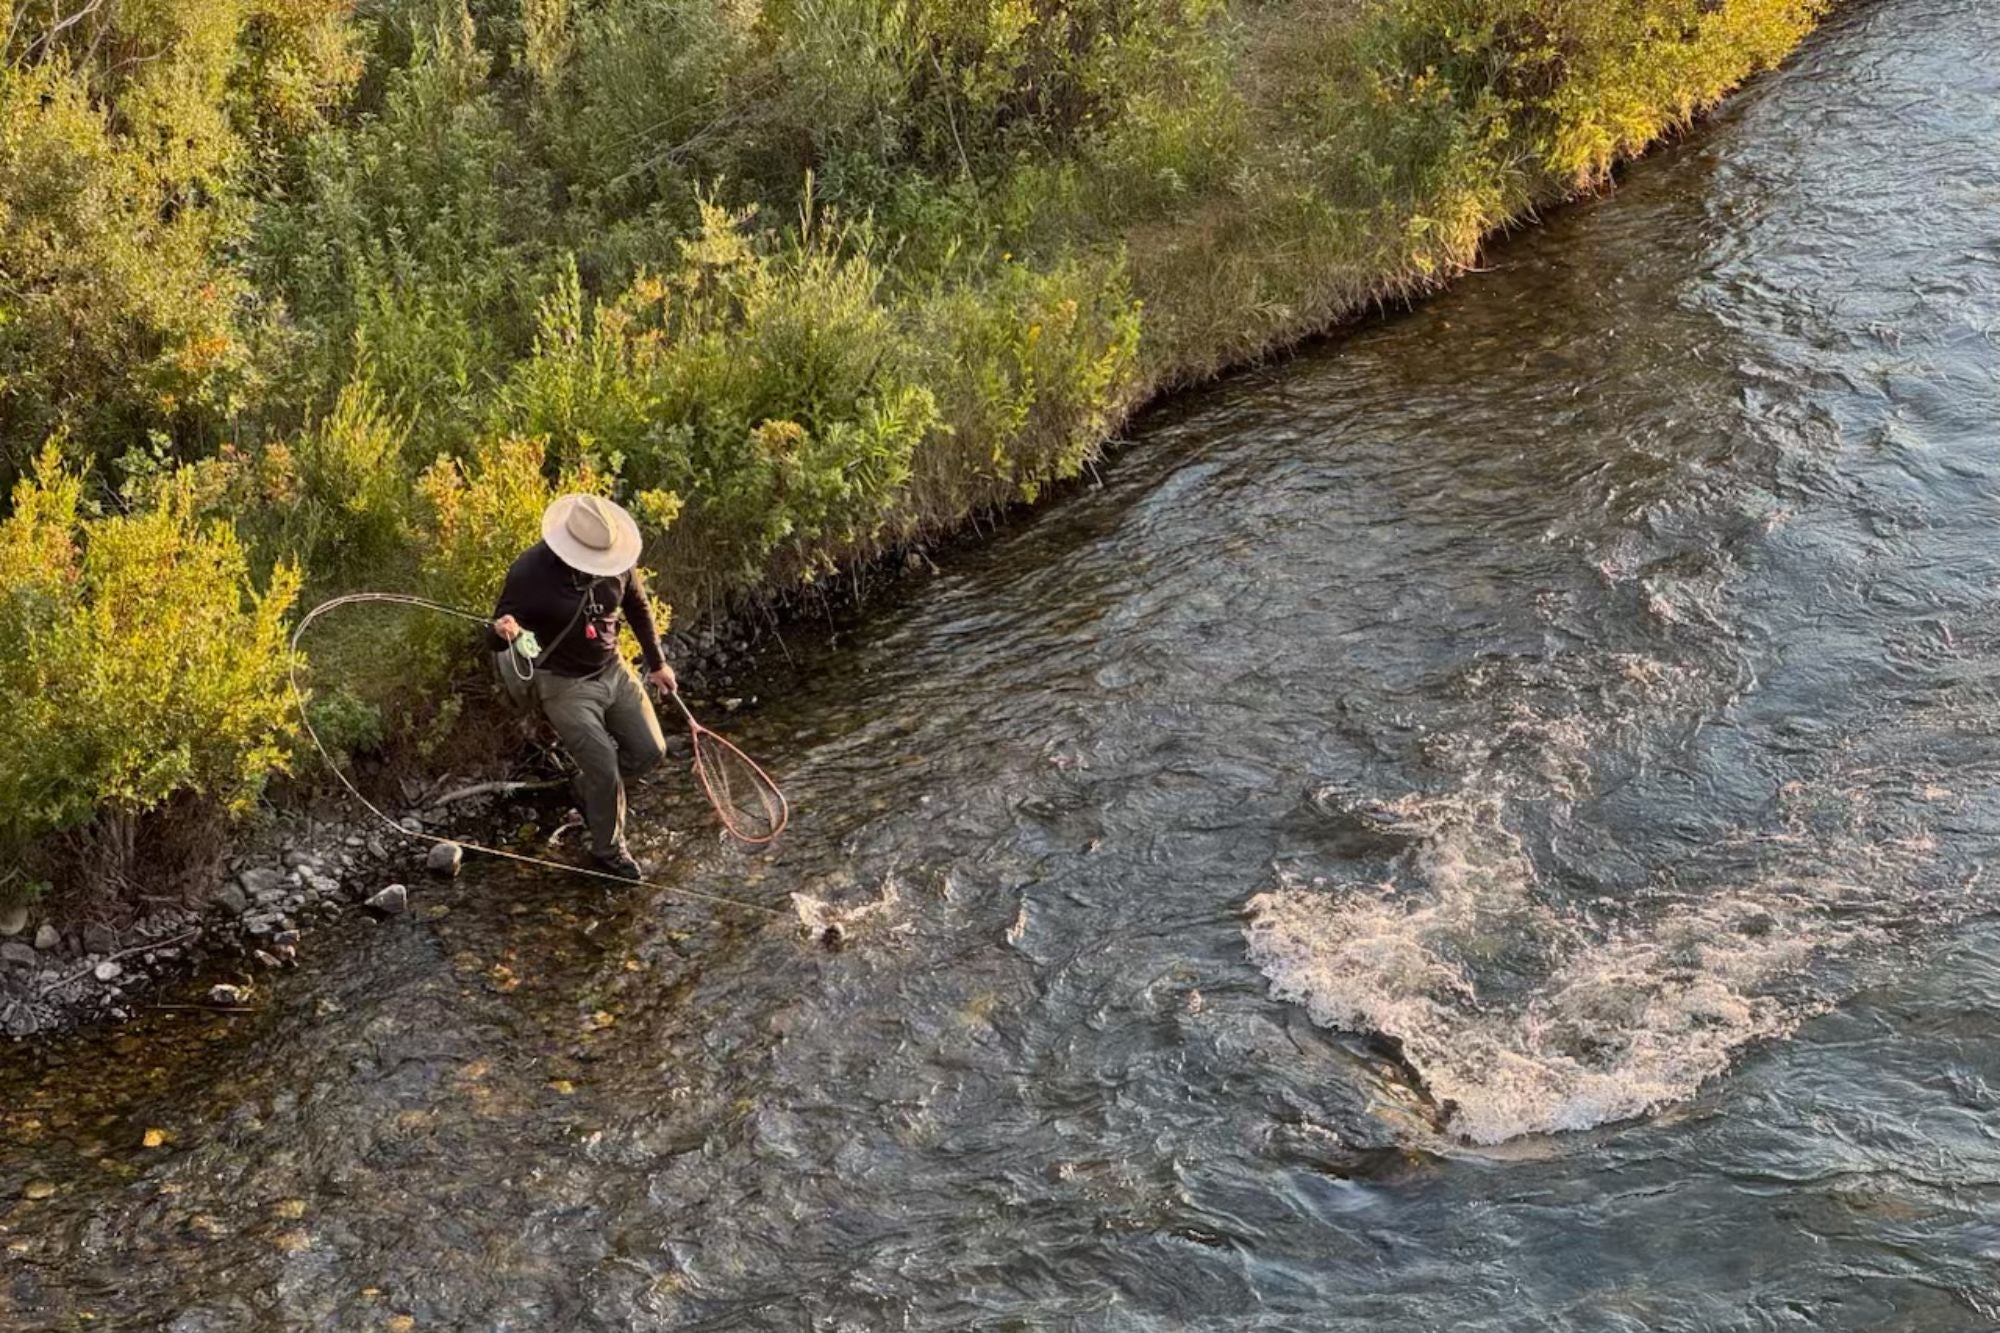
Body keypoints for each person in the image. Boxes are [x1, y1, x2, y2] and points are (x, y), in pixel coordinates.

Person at [487, 494, 677, 880]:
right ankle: (608, 850)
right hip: (563, 683)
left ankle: (584, 785)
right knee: (605, 769)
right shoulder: (529, 571)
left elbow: (637, 607)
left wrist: (657, 664)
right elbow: (494, 637)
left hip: (613, 670)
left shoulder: (620, 563)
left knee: (650, 751)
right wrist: (504, 632)